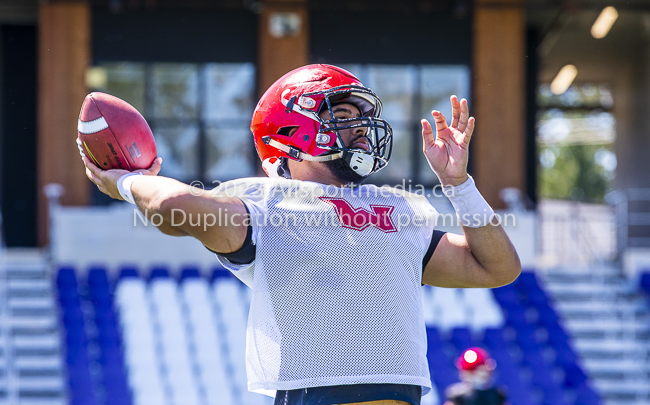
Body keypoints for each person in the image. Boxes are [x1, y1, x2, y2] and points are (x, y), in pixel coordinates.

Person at [81, 64, 521, 405]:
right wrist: (123, 181)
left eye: (362, 117)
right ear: (292, 132)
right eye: (344, 114)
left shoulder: (396, 207)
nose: (361, 128)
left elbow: (497, 267)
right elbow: (172, 205)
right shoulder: (267, 204)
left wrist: (459, 186)